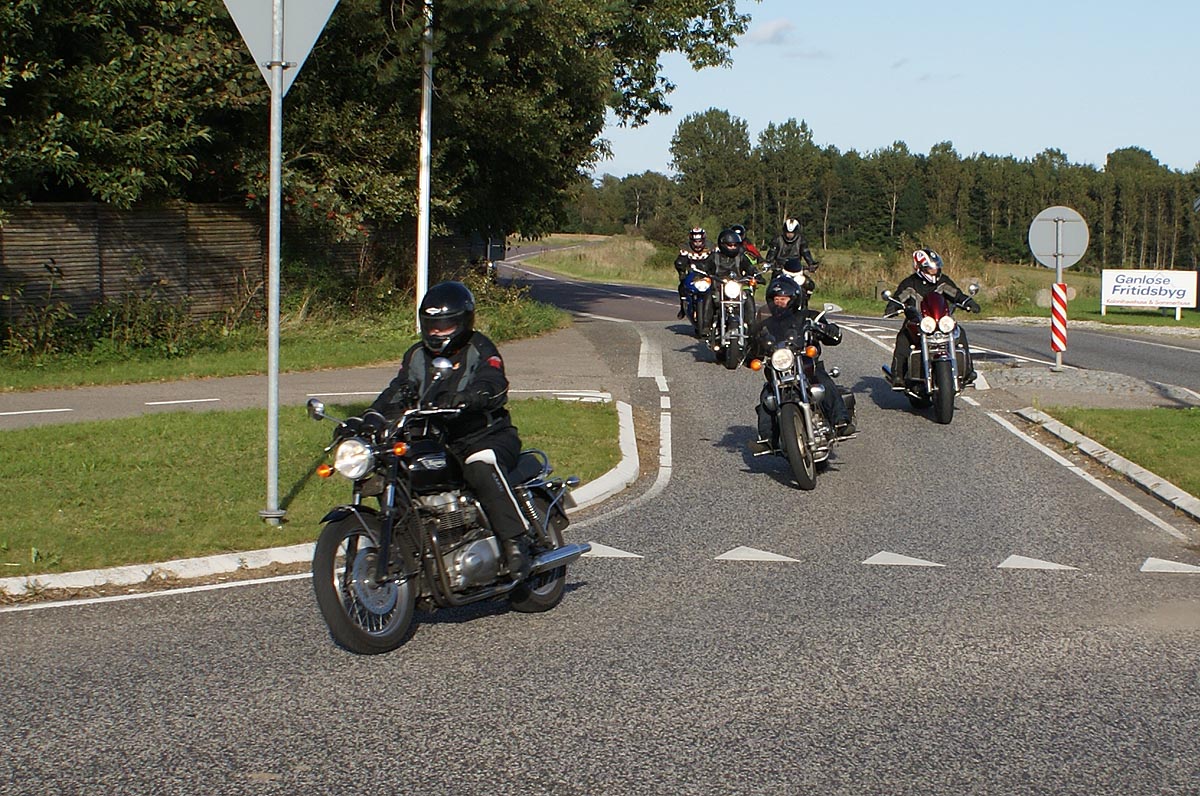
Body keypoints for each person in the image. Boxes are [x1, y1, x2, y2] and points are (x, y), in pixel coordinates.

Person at [366, 280, 533, 580]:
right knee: (396, 471)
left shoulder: (479, 348)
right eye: (432, 326)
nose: (437, 333)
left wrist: (470, 397)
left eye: (445, 326)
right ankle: (415, 551)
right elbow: (398, 390)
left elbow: (493, 381)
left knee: (480, 467)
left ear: (463, 322)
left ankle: (515, 544)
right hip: (438, 441)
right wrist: (371, 418)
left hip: (485, 436)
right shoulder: (417, 356)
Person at [747, 276, 854, 454]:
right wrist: (750, 353)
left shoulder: (808, 317)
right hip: (779, 371)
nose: (779, 302)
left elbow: (833, 337)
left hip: (806, 365)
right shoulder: (765, 326)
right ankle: (767, 438)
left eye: (784, 298)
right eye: (776, 299)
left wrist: (826, 329)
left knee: (823, 381)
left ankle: (840, 422)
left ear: (794, 299)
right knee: (767, 396)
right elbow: (753, 348)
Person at [887, 248, 980, 388]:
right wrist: (893, 307)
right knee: (903, 338)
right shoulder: (909, 283)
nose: (934, 270)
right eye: (930, 268)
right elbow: (898, 298)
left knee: (960, 333)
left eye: (936, 267)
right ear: (919, 268)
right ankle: (898, 375)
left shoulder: (942, 281)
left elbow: (957, 294)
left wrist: (969, 302)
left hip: (941, 322)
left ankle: (968, 371)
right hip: (918, 323)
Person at [674, 227, 710, 319]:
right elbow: (680, 261)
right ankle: (683, 307)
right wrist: (681, 270)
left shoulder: (712, 248)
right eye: (695, 241)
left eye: (699, 241)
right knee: (682, 286)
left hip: (708, 274)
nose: (697, 244)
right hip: (693, 273)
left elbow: (718, 260)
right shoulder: (685, 248)